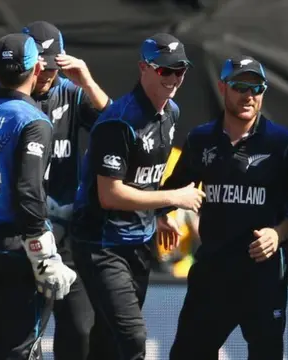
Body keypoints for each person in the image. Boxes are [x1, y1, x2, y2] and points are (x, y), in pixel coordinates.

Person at [0, 20, 109, 360]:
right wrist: (40, 248)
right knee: (14, 345)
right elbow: (27, 188)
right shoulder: (9, 105)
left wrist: (88, 82)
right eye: (40, 64)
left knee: (78, 331)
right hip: (28, 237)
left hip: (56, 236)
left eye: (53, 63)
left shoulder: (70, 94)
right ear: (31, 63)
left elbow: (118, 130)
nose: (46, 72)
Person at [70, 33, 205, 360]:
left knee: (108, 342)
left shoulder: (170, 112)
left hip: (140, 241)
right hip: (102, 244)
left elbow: (145, 180)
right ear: (144, 68)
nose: (174, 79)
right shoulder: (119, 121)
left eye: (181, 70)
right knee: (133, 338)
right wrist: (173, 198)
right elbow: (110, 195)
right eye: (165, 71)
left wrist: (158, 216)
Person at [167, 55, 288, 360]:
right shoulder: (201, 139)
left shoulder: (283, 143)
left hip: (263, 277)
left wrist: (279, 233)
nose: (248, 95)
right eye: (240, 86)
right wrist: (165, 215)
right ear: (222, 87)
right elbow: (174, 189)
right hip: (213, 272)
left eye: (257, 87)